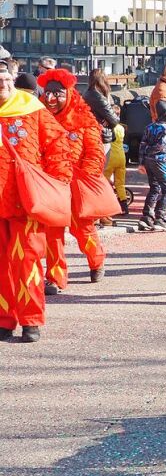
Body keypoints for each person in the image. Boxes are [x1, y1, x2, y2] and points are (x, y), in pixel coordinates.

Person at [0, 67, 72, 343]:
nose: (3, 84)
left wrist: (56, 183)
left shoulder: (33, 109)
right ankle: (4, 319)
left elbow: (57, 145)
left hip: (24, 201)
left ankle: (31, 320)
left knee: (27, 260)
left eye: (7, 79)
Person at [39, 69, 108, 293]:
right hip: (50, 186)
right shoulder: (38, 117)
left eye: (57, 94)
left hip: (76, 187)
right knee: (52, 232)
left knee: (84, 230)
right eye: (47, 93)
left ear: (68, 94)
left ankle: (96, 260)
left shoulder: (85, 120)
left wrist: (85, 178)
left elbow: (95, 153)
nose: (50, 99)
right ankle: (55, 277)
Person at [137, 102, 166, 232]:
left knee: (154, 187)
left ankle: (146, 217)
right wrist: (151, 152)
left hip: (148, 161)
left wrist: (142, 161)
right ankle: (161, 217)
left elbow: (142, 144)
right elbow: (161, 146)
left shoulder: (149, 127)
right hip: (159, 161)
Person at [105, 118, 128, 214]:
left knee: (104, 182)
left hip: (110, 156)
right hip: (121, 156)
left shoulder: (108, 128)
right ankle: (124, 206)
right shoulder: (121, 128)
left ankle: (108, 206)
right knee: (120, 183)